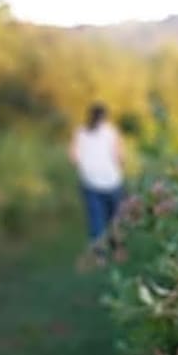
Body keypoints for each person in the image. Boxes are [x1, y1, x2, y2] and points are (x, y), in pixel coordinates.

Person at [69, 103, 125, 255]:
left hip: (89, 182)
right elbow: (119, 156)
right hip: (112, 181)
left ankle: (100, 256)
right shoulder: (112, 131)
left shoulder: (80, 132)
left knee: (96, 220)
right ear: (105, 117)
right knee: (115, 218)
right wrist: (121, 167)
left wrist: (85, 167)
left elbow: (73, 157)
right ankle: (118, 250)